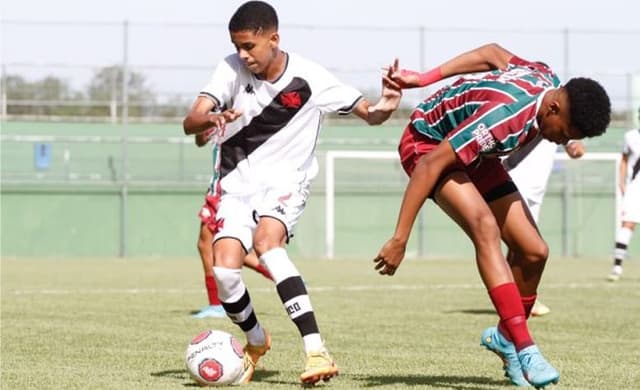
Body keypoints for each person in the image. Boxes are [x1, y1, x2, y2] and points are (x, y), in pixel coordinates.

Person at [182, 1, 401, 385]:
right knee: (224, 269)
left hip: (286, 183)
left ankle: (316, 350)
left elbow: (371, 113)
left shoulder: (309, 77)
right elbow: (190, 121)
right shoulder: (230, 68)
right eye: (237, 46)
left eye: (249, 46)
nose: (242, 54)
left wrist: (387, 102)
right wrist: (213, 116)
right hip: (236, 184)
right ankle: (255, 341)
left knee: (269, 244)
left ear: (274, 38)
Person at [374, 43, 610, 387]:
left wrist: (423, 77)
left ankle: (504, 337)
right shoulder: (505, 118)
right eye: (563, 133)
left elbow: (491, 53)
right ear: (554, 108)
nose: (560, 141)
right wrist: (400, 238)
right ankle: (525, 347)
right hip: (426, 143)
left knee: (533, 251)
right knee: (485, 228)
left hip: (474, 154)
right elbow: (430, 164)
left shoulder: (545, 78)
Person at [503, 136, 586, 316]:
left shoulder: (560, 122)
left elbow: (572, 144)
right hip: (515, 181)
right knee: (522, 245)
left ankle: (513, 296)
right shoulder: (537, 112)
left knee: (519, 247)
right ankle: (516, 297)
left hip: (535, 188)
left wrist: (573, 144)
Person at [607, 107, 640, 281]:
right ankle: (617, 267)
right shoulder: (631, 137)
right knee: (627, 224)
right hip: (636, 187)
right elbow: (624, 161)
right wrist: (621, 182)